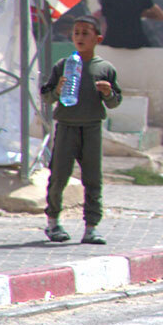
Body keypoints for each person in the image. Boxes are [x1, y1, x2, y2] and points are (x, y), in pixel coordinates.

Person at [39, 16, 123, 244]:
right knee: (59, 177)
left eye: (86, 33)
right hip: (66, 127)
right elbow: (46, 96)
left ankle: (91, 227)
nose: (80, 37)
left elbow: (115, 102)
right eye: (76, 33)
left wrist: (107, 93)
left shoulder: (105, 69)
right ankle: (53, 222)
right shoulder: (63, 65)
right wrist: (58, 89)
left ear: (98, 39)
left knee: (93, 179)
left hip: (92, 128)